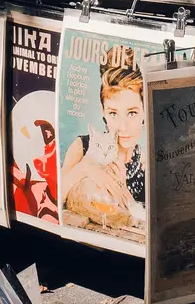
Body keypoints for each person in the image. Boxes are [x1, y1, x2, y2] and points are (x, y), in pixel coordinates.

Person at [62, 52, 147, 232]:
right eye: (113, 113)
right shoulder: (82, 147)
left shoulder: (148, 164)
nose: (122, 126)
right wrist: (86, 167)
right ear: (103, 111)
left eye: (132, 113)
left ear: (144, 112)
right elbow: (53, 197)